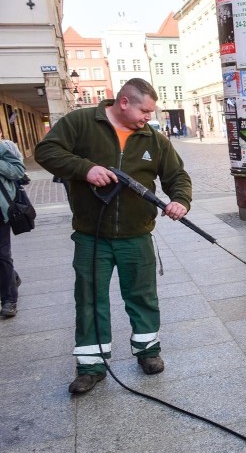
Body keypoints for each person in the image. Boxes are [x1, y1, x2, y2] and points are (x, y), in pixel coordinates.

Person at [34, 78, 193, 395]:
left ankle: (148, 352)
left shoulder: (153, 138)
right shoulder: (81, 122)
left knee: (142, 296)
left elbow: (177, 176)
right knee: (90, 299)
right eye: (144, 110)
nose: (148, 117)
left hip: (137, 235)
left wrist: (180, 201)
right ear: (124, 103)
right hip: (91, 236)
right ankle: (91, 366)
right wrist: (84, 168)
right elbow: (46, 151)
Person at [0, 135, 26, 318]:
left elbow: (18, 171)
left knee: (2, 255)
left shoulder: (2, 148)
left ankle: (9, 300)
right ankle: (12, 277)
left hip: (0, 211)